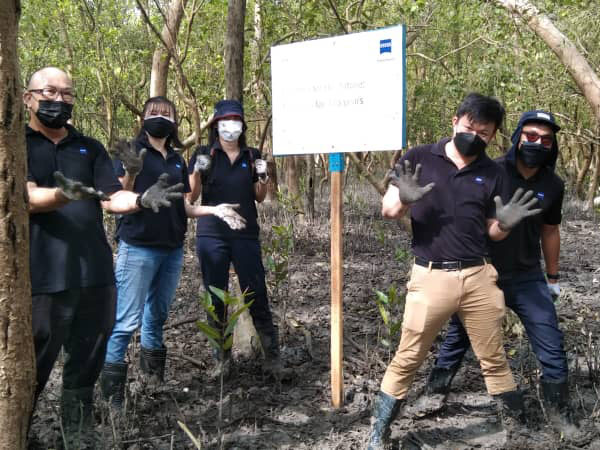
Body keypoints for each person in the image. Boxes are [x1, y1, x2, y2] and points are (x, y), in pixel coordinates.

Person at [367, 93, 542, 450]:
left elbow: (492, 229)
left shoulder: (493, 172)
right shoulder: (417, 158)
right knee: (409, 355)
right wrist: (405, 198)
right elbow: (388, 210)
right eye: (469, 127)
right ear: (454, 121)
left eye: (485, 132)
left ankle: (518, 432)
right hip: (430, 276)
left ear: (493, 136)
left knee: (493, 356)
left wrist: (505, 224)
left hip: (478, 275)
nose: (475, 136)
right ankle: (378, 433)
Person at [25, 67, 181, 446]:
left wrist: (141, 199)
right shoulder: (16, 144)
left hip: (95, 272)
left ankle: (77, 433)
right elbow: (26, 198)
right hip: (43, 274)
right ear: (28, 97)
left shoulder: (88, 147)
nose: (58, 100)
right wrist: (63, 195)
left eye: (66, 94)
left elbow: (113, 198)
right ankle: (18, 431)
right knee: (34, 364)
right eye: (49, 92)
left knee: (87, 359)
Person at [420, 110, 580, 438]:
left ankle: (560, 413)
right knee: (458, 337)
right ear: (517, 136)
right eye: (531, 136)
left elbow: (550, 231)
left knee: (550, 341)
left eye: (546, 140)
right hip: (482, 272)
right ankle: (434, 393)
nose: (538, 143)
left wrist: (553, 278)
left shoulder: (553, 185)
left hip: (527, 277)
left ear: (553, 146)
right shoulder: (490, 171)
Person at [99, 97, 246, 407]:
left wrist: (215, 210)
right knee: (125, 321)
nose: (160, 116)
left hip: (172, 249)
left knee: (156, 317)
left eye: (167, 113)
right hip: (138, 247)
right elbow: (112, 197)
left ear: (175, 121)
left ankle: (152, 382)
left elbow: (184, 206)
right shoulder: (132, 151)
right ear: (144, 117)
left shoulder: (178, 159)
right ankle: (112, 402)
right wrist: (131, 170)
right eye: (154, 111)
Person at [188, 99, 281, 378]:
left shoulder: (252, 155)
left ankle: (273, 358)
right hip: (211, 234)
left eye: (236, 120)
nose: (231, 126)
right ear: (216, 125)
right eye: (226, 120)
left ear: (242, 125)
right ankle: (222, 360)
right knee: (215, 296)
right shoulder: (204, 153)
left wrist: (264, 176)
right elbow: (191, 197)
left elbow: (259, 197)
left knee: (256, 292)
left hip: (245, 234)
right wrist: (196, 170)